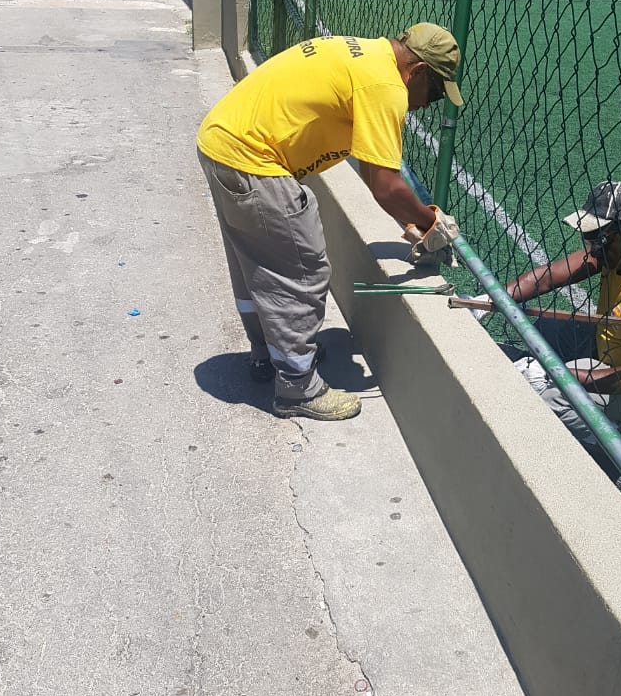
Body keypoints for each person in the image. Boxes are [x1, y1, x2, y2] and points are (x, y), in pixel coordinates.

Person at [196, 23, 464, 422]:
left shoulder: (365, 55)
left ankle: (268, 354)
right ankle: (297, 386)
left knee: (257, 266)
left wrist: (413, 223)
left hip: (221, 143)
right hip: (253, 161)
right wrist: (433, 223)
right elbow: (386, 187)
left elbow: (373, 169)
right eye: (436, 92)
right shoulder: (385, 86)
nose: (428, 104)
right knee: (302, 272)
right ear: (419, 71)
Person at [488, 181, 621, 479]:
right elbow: (548, 278)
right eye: (589, 240)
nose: (593, 250)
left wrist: (560, 375)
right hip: (615, 345)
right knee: (549, 328)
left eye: (600, 239)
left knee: (554, 398)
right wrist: (490, 299)